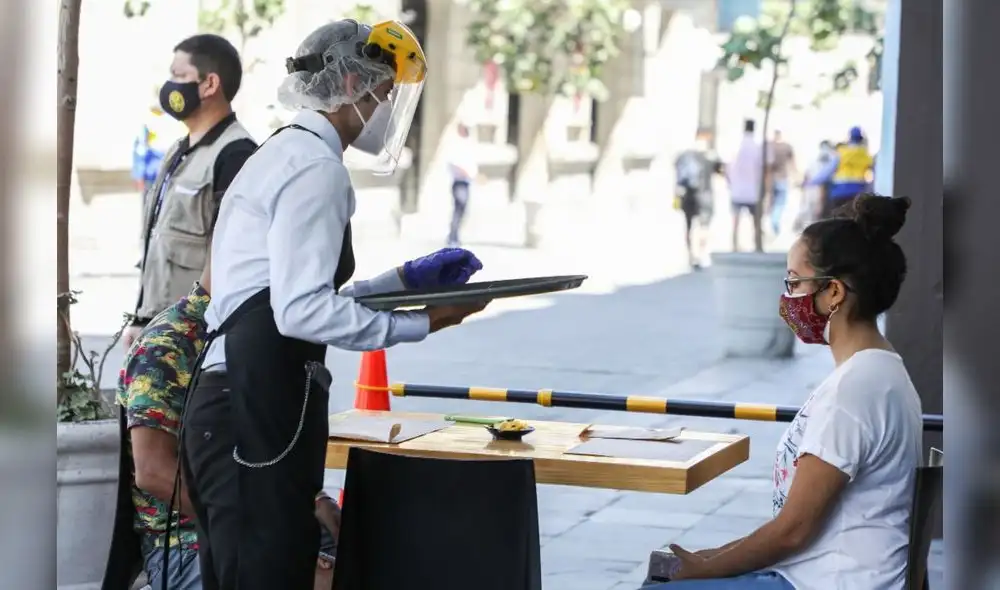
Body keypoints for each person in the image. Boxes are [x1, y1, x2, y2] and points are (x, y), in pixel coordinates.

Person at [180, 19, 487, 590]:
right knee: (264, 575)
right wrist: (418, 323)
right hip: (251, 404)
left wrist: (400, 281)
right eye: (382, 94)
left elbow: (285, 293)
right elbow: (299, 312)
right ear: (351, 82)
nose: (383, 111)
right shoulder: (315, 169)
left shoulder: (283, 151)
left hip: (243, 399)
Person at [643, 195, 922, 589]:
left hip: (830, 582)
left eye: (794, 281)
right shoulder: (878, 371)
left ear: (834, 293)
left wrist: (706, 569)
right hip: (818, 573)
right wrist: (716, 556)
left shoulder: (856, 390)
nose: (788, 297)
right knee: (665, 569)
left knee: (664, 583)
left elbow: (793, 530)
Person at [104, 245, 341, 590]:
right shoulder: (169, 343)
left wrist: (314, 501)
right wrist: (257, 527)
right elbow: (153, 471)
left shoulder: (253, 333)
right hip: (186, 543)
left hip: (254, 516)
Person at [122, 34, 257, 351]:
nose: (169, 86)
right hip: (157, 327)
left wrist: (182, 332)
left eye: (179, 76)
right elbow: (160, 244)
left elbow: (229, 255)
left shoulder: (235, 155)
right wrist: (141, 320)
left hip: (193, 337)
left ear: (210, 84)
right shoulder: (178, 151)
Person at [674, 129, 724, 269]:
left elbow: (678, 176)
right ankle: (701, 254)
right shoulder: (710, 156)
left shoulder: (684, 155)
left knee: (689, 226)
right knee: (704, 226)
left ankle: (691, 255)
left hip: (687, 195)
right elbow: (721, 172)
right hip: (705, 195)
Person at [808, 126, 873, 218]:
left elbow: (826, 172)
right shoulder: (865, 154)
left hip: (839, 191)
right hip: (857, 192)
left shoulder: (841, 153)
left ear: (849, 138)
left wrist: (811, 182)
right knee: (853, 219)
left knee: (838, 219)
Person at [727, 119, 764, 252]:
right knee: (756, 219)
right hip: (752, 189)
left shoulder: (736, 145)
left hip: (737, 188)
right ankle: (757, 244)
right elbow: (761, 167)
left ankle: (734, 244)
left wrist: (730, 182)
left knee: (736, 219)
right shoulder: (756, 146)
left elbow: (728, 166)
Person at [447, 122, 478, 246]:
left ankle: (454, 235)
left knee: (463, 210)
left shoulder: (468, 143)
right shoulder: (456, 144)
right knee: (459, 208)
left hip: (466, 182)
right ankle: (453, 237)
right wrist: (463, 171)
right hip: (459, 181)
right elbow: (452, 162)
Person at [793, 140, 835, 232]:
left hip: (811, 191)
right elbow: (822, 181)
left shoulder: (816, 159)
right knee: (816, 217)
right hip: (818, 192)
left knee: (811, 216)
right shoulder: (831, 159)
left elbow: (807, 176)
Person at [766, 130, 797, 236]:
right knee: (780, 203)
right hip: (782, 178)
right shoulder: (786, 147)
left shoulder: (769, 146)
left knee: (772, 202)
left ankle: (772, 222)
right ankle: (774, 222)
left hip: (771, 179)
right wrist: (796, 177)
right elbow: (793, 163)